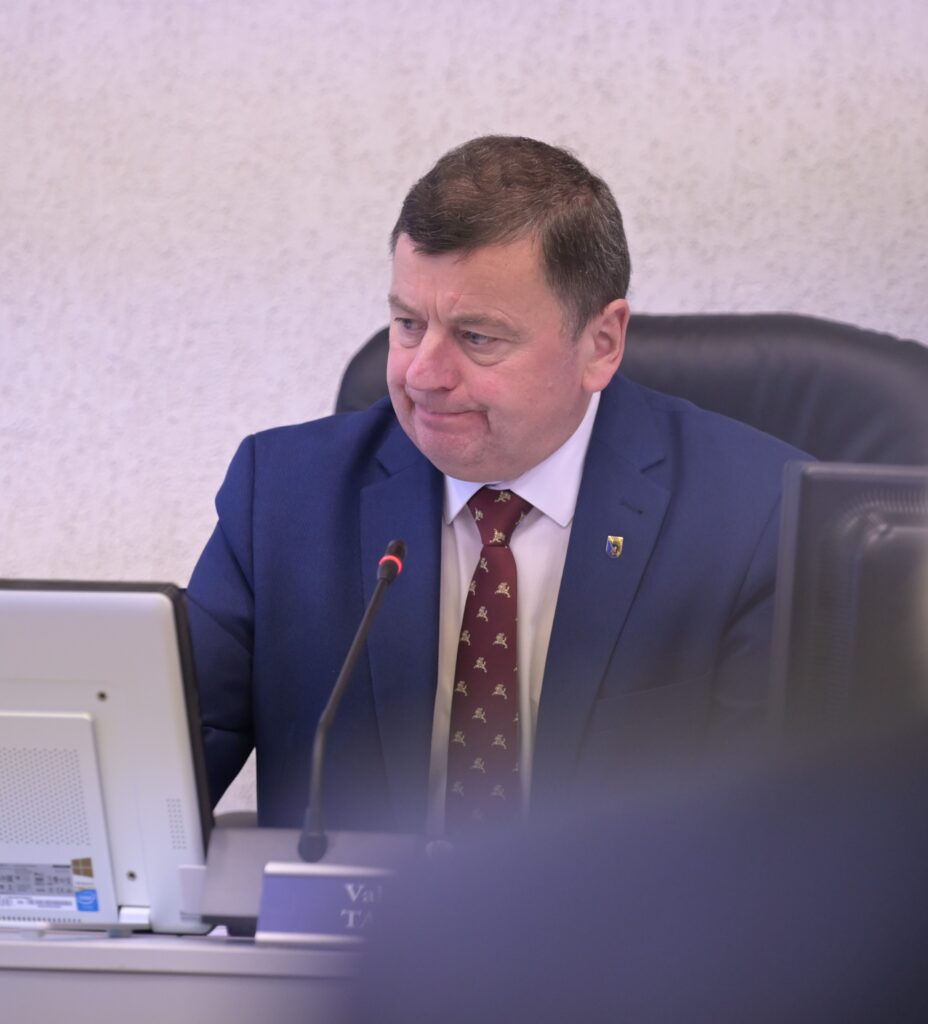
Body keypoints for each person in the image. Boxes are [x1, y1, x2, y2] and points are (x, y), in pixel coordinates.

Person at [186, 135, 806, 832]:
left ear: (601, 344)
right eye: (408, 324)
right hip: (354, 906)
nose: (423, 374)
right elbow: (155, 776)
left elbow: (784, 836)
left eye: (477, 337)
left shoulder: (760, 517)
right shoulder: (282, 498)